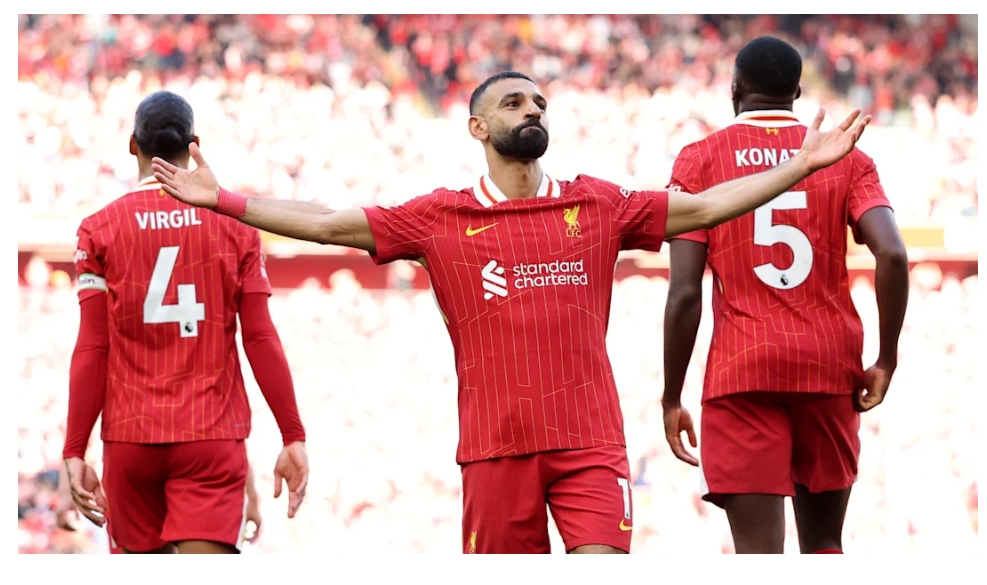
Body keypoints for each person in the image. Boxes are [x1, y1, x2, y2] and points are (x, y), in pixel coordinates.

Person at [151, 72, 871, 554]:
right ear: (476, 127)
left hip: (590, 445)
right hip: (494, 452)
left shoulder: (598, 202)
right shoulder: (439, 216)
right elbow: (330, 223)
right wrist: (225, 200)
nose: (532, 111)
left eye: (539, 103)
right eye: (514, 103)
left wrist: (800, 167)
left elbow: (707, 207)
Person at [661, 37, 909, 554]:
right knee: (824, 546)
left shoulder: (698, 159)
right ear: (796, 92)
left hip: (742, 370)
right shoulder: (847, 156)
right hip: (828, 366)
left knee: (759, 555)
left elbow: (685, 294)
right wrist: (886, 358)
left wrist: (672, 395)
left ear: (734, 89)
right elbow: (892, 254)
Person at [62, 91, 310, 554]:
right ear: (194, 145)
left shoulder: (98, 229)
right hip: (210, 437)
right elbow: (259, 338)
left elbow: (93, 348)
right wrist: (292, 434)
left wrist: (74, 449)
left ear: (132, 145)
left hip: (131, 437)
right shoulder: (235, 226)